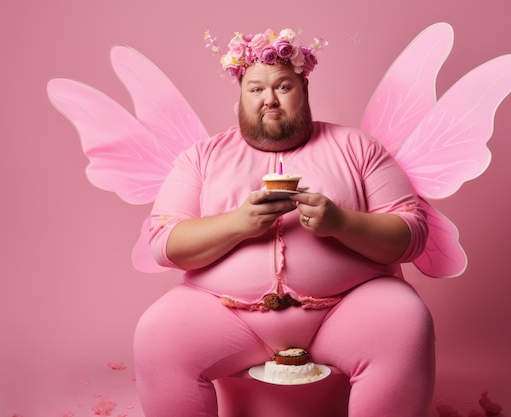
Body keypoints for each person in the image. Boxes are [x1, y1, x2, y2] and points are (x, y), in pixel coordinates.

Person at [133, 28, 435, 417]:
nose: (269, 99)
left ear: (305, 91)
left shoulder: (359, 148)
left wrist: (341, 223)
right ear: (240, 98)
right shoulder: (200, 158)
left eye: (283, 87)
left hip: (346, 309)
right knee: (158, 333)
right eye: (256, 90)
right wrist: (238, 224)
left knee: (404, 318)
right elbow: (163, 243)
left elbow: (412, 233)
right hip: (224, 314)